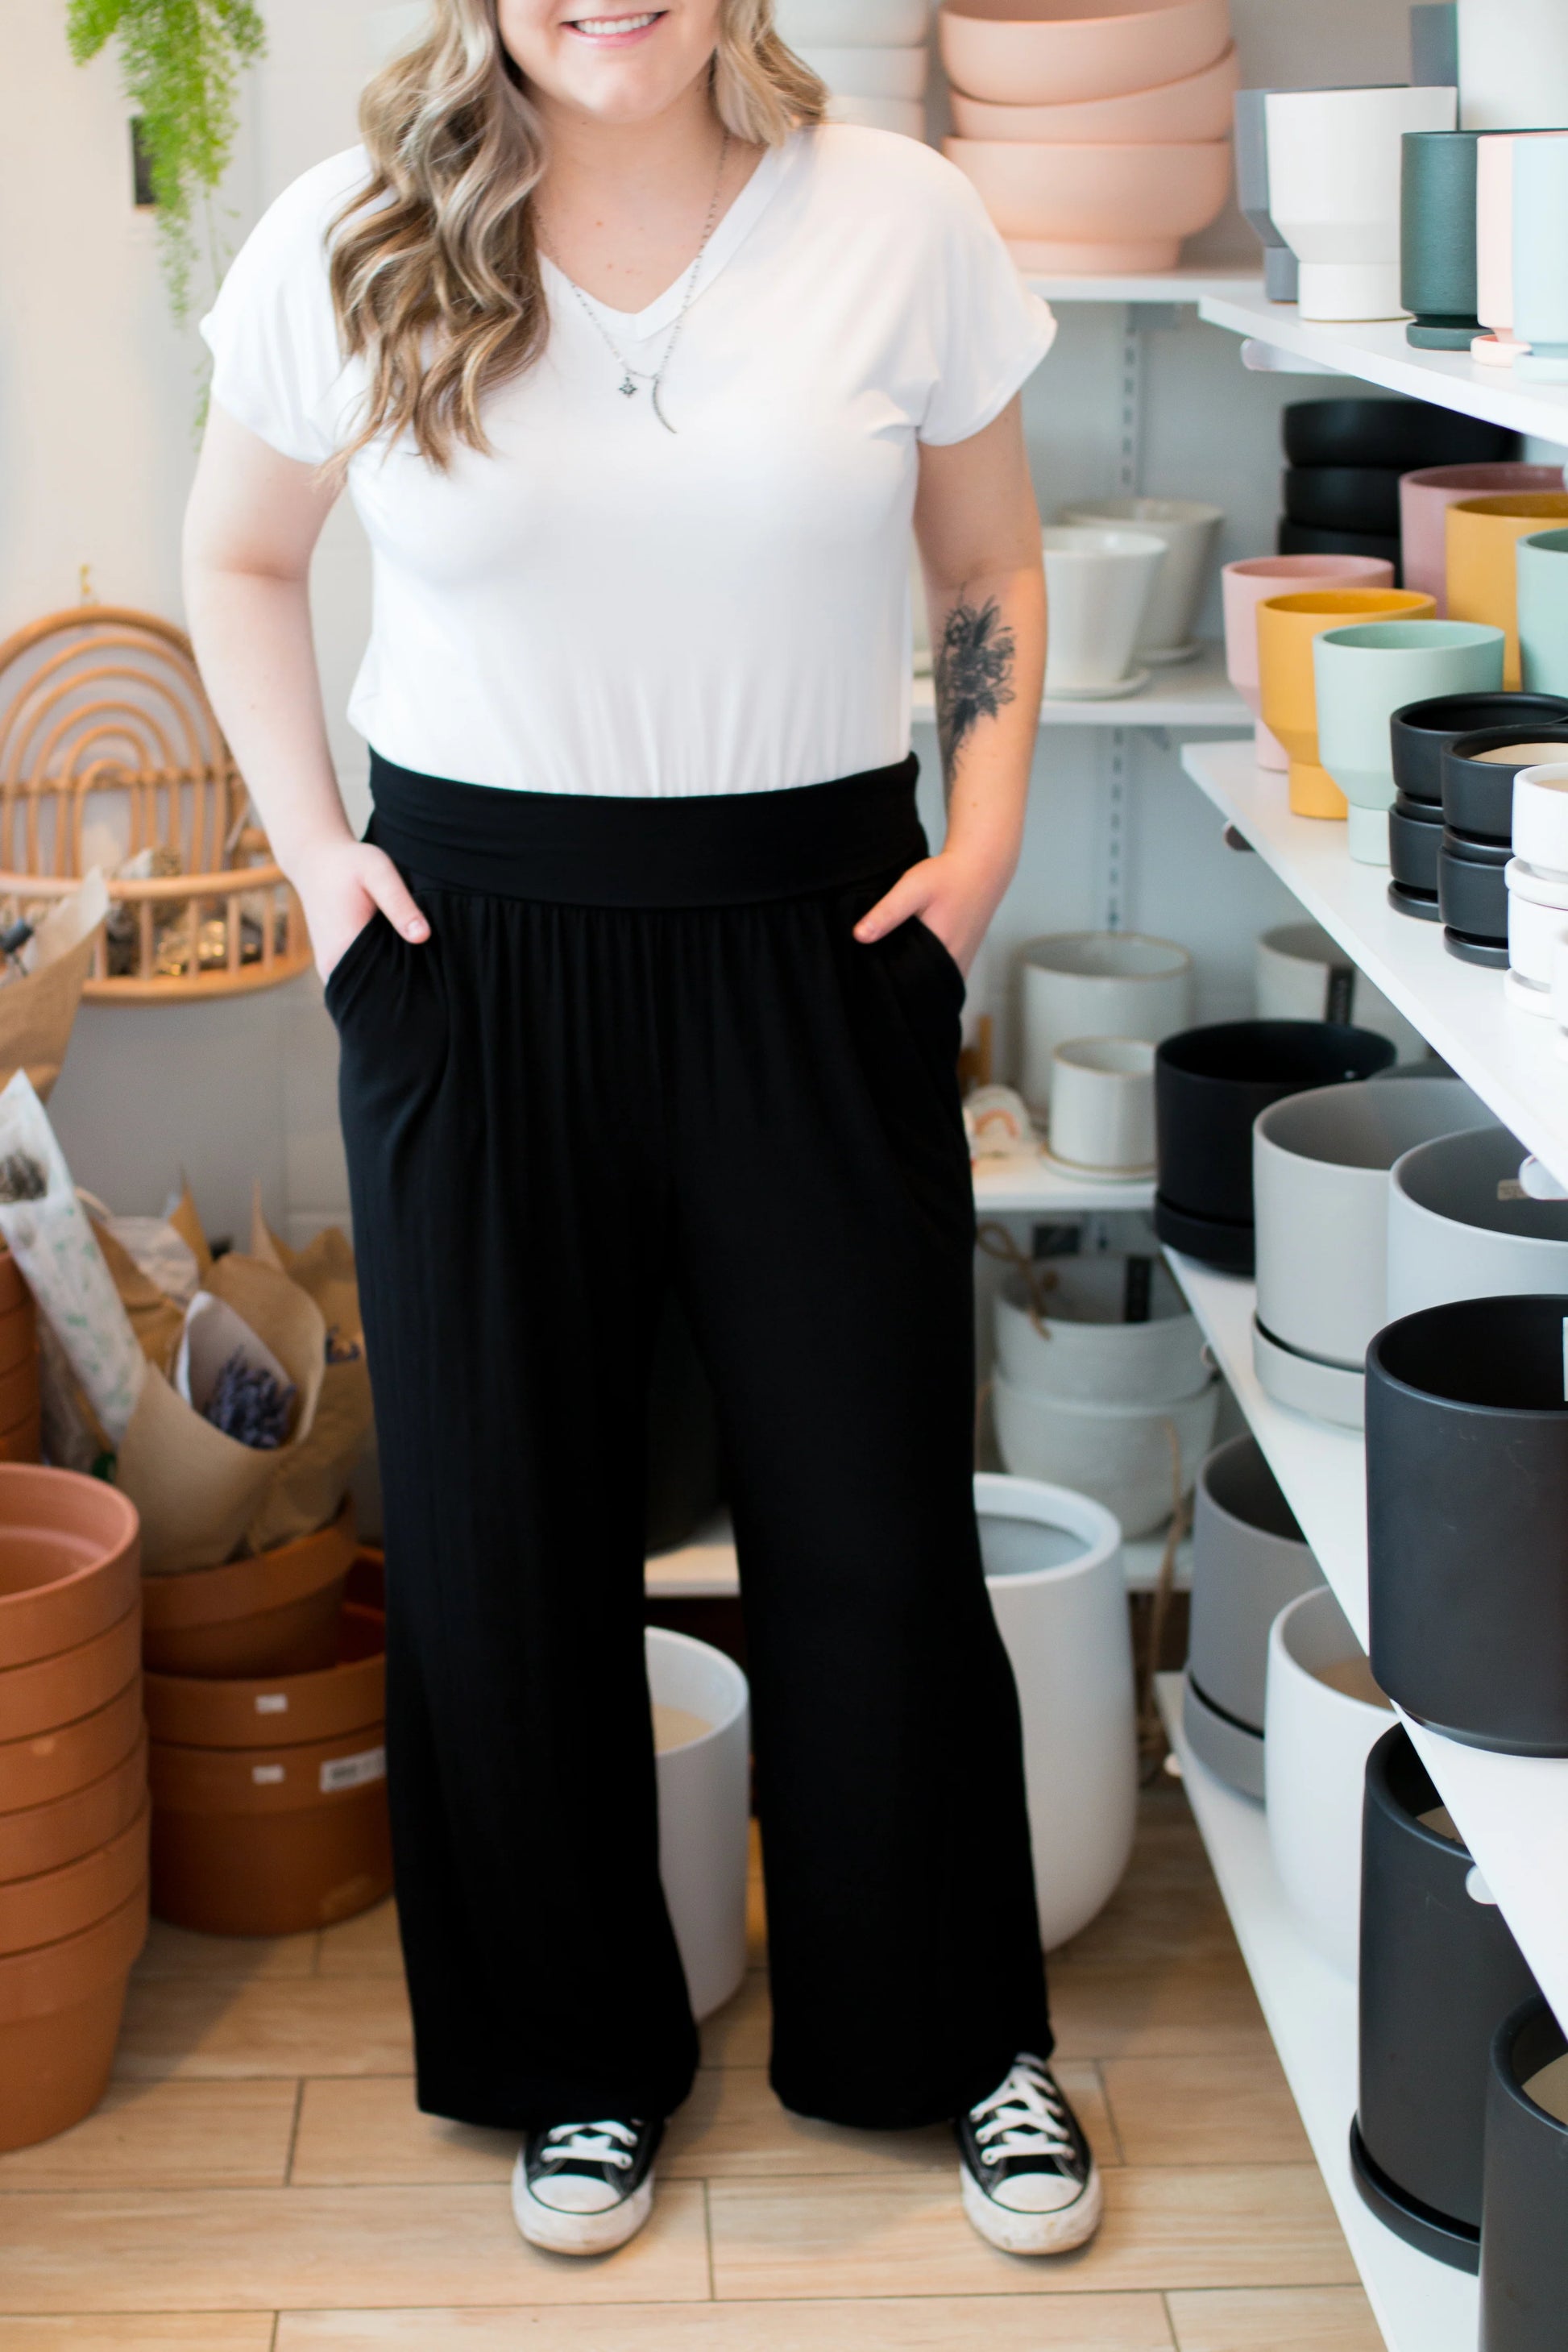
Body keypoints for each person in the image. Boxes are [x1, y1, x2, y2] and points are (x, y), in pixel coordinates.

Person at [183, 0, 1095, 2265]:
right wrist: (320, 871)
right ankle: (570, 2061)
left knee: (872, 1523)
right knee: (503, 1540)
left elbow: (985, 569)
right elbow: (239, 558)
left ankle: (950, 2036)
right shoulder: (357, 228)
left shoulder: (899, 215)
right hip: (473, 957)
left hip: (815, 937)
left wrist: (964, 879)